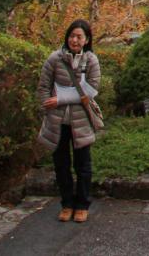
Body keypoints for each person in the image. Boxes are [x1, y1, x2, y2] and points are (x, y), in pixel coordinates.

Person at [37, 20, 101, 223]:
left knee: (83, 165)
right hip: (57, 120)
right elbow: (43, 86)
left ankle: (82, 204)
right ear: (67, 37)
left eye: (79, 36)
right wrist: (46, 106)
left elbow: (91, 90)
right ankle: (66, 204)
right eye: (72, 35)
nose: (75, 39)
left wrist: (61, 98)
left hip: (81, 120)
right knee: (61, 164)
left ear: (87, 39)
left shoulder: (91, 60)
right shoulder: (55, 59)